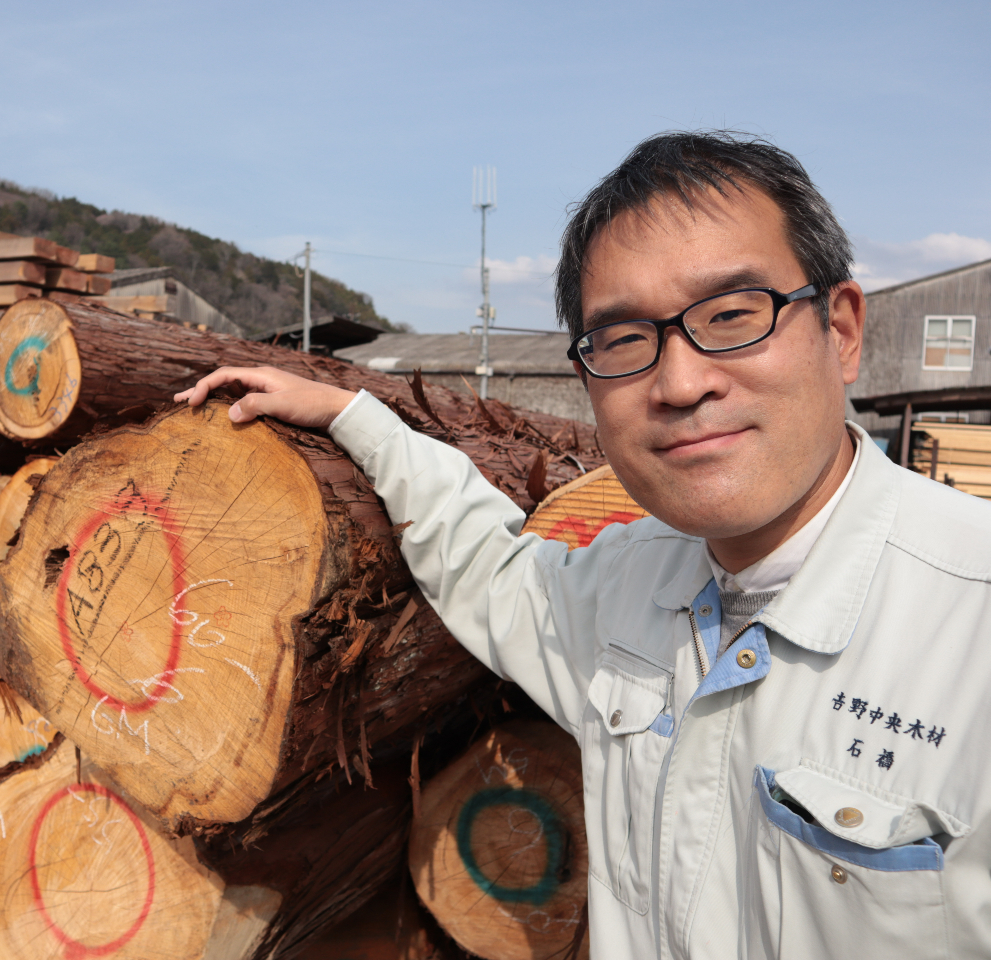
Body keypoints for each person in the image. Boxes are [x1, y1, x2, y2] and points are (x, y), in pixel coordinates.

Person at [175, 131, 991, 959]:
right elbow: (483, 563)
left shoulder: (971, 627)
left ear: (842, 330)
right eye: (624, 340)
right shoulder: (623, 592)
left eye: (733, 316)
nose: (680, 383)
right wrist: (355, 416)